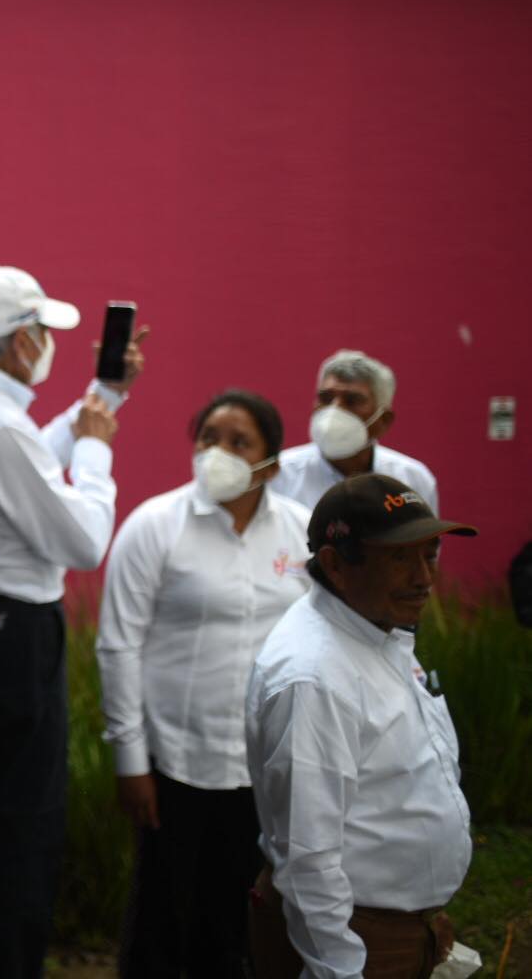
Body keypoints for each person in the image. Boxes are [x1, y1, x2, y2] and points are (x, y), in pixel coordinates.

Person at [0, 264, 145, 979]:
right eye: (43, 331)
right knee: (18, 832)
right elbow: (83, 539)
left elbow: (18, 474)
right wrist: (100, 446)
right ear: (21, 343)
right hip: (8, 641)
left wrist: (97, 405)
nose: (48, 344)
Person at [96, 390, 312, 978]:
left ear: (271, 459)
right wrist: (130, 760)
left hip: (266, 765)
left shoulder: (300, 533)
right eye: (209, 438)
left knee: (238, 917)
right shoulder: (155, 526)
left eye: (239, 442)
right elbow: (119, 645)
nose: (219, 452)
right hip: (174, 764)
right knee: (163, 919)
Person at [246, 474, 476, 979]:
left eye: (429, 554)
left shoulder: (377, 631)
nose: (424, 578)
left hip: (397, 931)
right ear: (336, 565)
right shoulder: (313, 676)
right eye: (400, 558)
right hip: (352, 944)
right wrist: (340, 970)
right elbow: (308, 861)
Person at [274, 349, 438, 512]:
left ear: (383, 420)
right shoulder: (280, 476)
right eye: (326, 398)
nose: (334, 410)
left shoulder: (412, 479)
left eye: (352, 400)